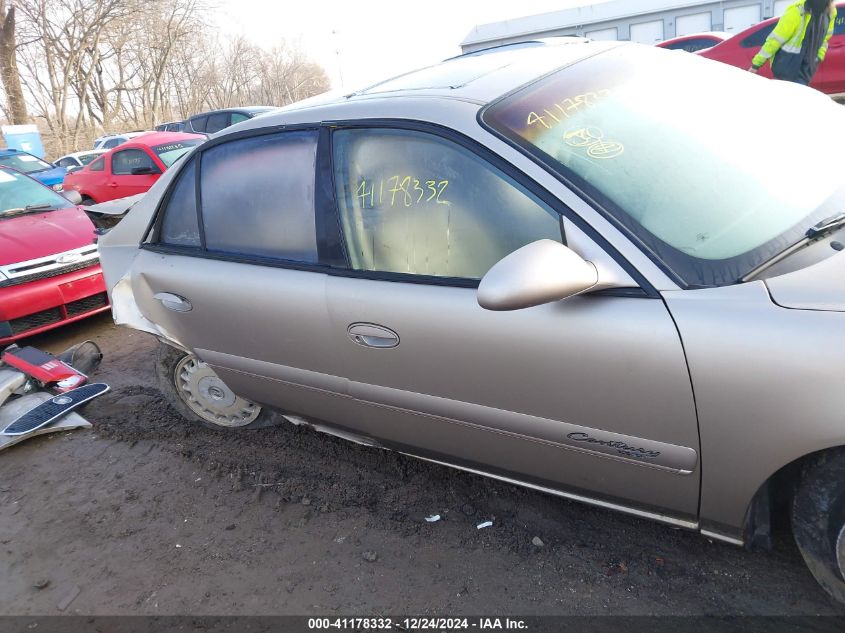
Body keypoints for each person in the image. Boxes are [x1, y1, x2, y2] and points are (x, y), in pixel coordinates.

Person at [748, 0, 837, 86]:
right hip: (787, 69)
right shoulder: (797, 11)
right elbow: (775, 40)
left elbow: (825, 39)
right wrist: (756, 64)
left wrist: (818, 57)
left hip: (800, 70)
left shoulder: (830, 12)